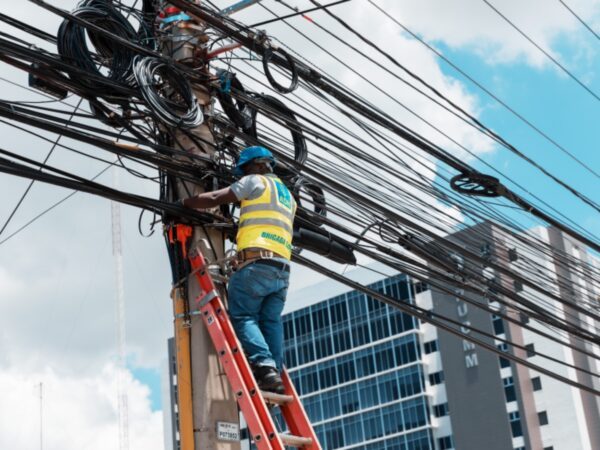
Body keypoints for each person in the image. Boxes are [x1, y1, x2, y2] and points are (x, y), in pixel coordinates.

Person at [181, 146, 296, 394]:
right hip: (282, 268)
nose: (241, 175)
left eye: (244, 169)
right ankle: (273, 372)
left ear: (256, 165)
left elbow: (214, 199)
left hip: (256, 265)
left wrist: (183, 202)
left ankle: (264, 366)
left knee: (244, 317)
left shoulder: (254, 181)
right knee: (270, 321)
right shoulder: (288, 196)